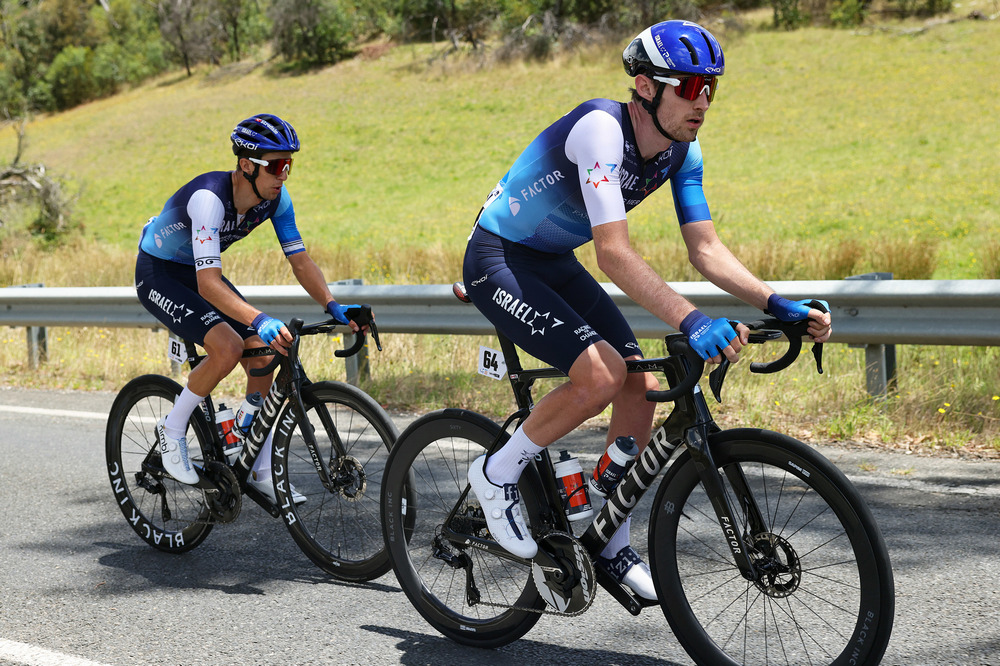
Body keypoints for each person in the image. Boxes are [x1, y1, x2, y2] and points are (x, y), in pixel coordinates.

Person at [462, 20, 832, 600]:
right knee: (601, 375)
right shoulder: (600, 130)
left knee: (641, 385)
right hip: (499, 258)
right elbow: (612, 252)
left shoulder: (683, 151)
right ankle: (496, 473)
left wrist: (776, 302)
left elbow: (705, 249)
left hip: (553, 259)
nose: (703, 102)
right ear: (645, 86)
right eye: (690, 87)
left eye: (711, 88)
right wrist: (693, 320)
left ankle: (611, 545)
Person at [135, 113, 361, 503]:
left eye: (289, 165)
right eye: (275, 165)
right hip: (161, 272)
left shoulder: (275, 200)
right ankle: (171, 430)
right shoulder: (209, 200)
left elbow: (300, 261)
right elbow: (209, 284)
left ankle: (257, 465)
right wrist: (259, 318)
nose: (283, 174)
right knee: (228, 347)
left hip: (197, 271)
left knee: (265, 354)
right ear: (246, 165)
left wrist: (332, 303)